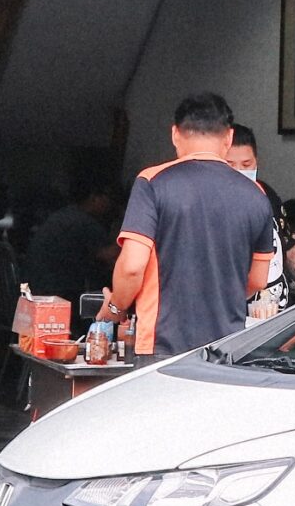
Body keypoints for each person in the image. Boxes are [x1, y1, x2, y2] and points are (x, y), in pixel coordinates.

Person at [103, 92, 275, 356]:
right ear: (228, 138)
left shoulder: (152, 182)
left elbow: (132, 267)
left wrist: (115, 308)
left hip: (162, 347)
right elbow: (258, 280)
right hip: (225, 349)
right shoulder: (256, 195)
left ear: (175, 134)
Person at [225, 125, 295, 308]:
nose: (239, 171)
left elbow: (291, 248)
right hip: (240, 320)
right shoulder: (209, 206)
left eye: (246, 164)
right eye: (229, 165)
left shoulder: (266, 194)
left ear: (256, 162)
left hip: (279, 312)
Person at [23, 180, 119, 305]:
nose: (110, 205)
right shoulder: (85, 223)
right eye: (108, 199)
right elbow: (111, 256)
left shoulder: (64, 216)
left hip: (35, 286)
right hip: (57, 292)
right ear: (94, 197)